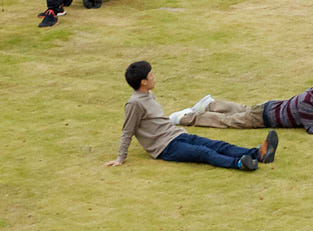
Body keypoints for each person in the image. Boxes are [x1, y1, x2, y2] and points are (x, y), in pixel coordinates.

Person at [107, 60, 277, 172]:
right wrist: (120, 158)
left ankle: (258, 154)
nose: (154, 77)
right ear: (143, 82)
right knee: (203, 153)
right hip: (164, 148)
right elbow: (127, 131)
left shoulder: (148, 95)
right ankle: (240, 164)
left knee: (216, 144)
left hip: (177, 135)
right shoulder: (134, 104)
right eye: (151, 75)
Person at [173, 73, 313, 135]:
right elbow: (311, 128)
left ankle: (210, 104)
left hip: (270, 107)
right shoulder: (307, 101)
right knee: (231, 121)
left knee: (243, 110)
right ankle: (187, 117)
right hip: (266, 117)